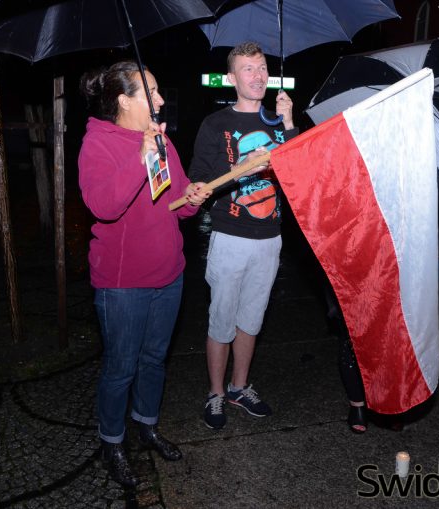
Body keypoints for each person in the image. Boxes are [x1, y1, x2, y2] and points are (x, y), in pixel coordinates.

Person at [78, 61, 210, 487]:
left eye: (157, 91)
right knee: (121, 367)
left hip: (169, 273)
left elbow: (176, 202)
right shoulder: (97, 144)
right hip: (123, 285)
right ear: (124, 101)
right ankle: (112, 442)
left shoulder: (162, 141)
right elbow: (104, 207)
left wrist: (193, 198)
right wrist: (141, 158)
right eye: (150, 92)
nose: (159, 99)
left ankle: (147, 426)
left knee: (154, 360)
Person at [190, 41, 298, 430]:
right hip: (231, 236)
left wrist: (288, 123)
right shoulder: (215, 124)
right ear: (233, 78)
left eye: (262, 67)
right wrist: (236, 172)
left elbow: (299, 177)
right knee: (221, 319)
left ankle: (239, 387)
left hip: (270, 238)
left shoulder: (277, 122)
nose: (258, 75)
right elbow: (198, 180)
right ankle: (216, 392)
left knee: (251, 320)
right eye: (248, 69)